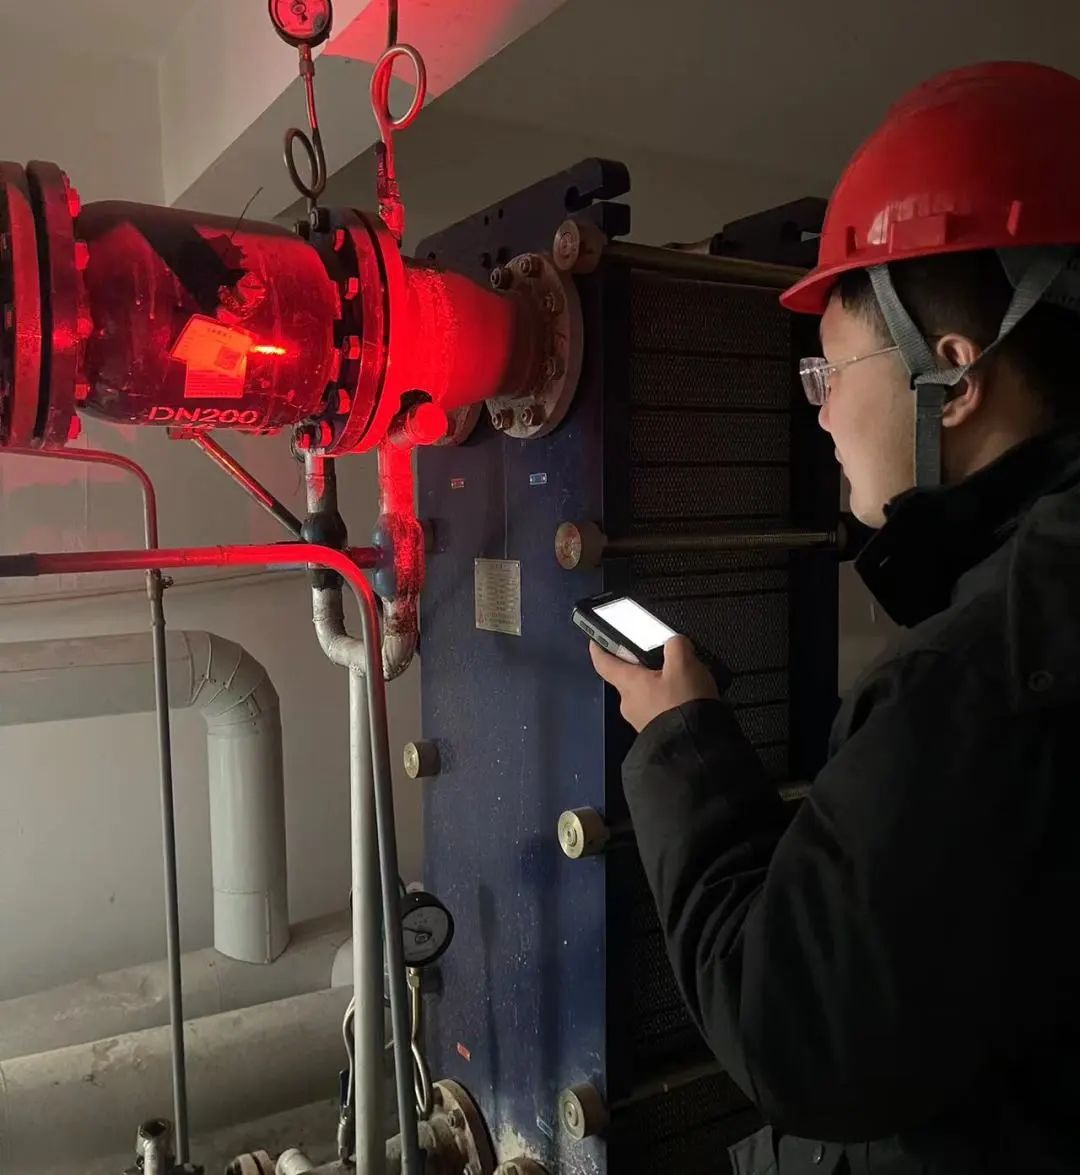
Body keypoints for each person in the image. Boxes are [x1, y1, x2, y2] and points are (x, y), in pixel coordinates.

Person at [590, 61, 1080, 1175]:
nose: (817, 413)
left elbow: (793, 1029)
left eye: (829, 370)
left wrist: (680, 743)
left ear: (954, 378)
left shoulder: (978, 676)